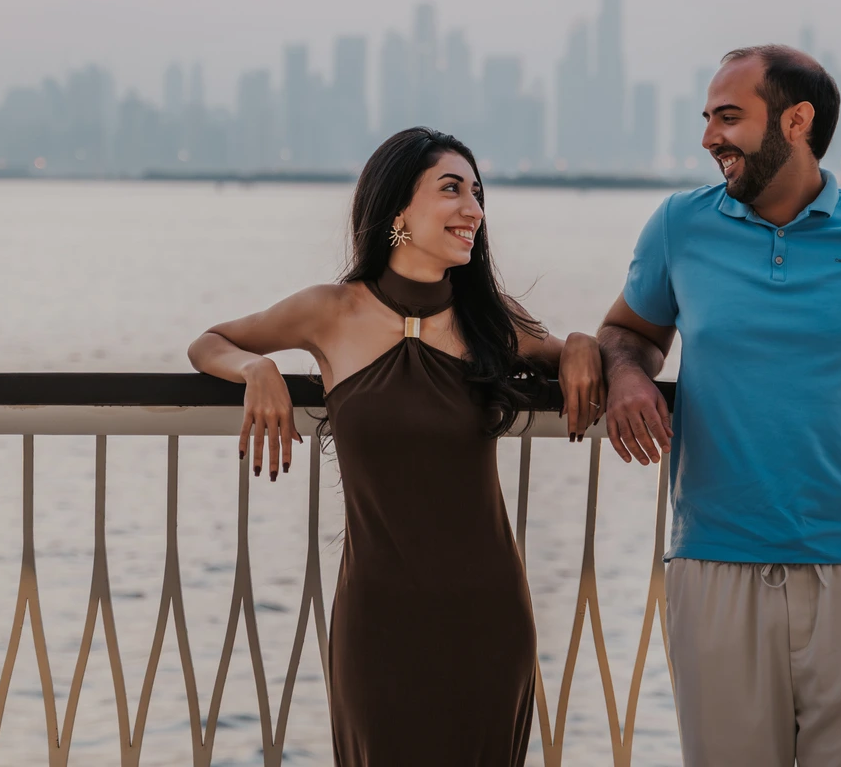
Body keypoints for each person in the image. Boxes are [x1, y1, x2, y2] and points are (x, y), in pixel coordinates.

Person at [597, 45, 841, 766]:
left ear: (797, 121)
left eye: (728, 117)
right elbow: (628, 332)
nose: (709, 137)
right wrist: (626, 376)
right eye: (708, 118)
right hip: (714, 563)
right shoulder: (678, 226)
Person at [186, 126, 603, 767]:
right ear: (398, 209)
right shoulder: (330, 312)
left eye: (478, 192)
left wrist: (578, 345)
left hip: (487, 620)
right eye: (452, 189)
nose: (474, 209)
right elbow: (209, 342)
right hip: (376, 624)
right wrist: (257, 372)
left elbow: (568, 352)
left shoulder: (492, 318)